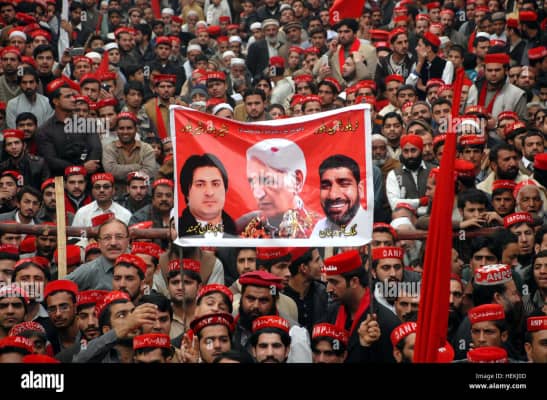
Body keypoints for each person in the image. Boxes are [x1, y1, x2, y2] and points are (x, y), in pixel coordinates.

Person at [239, 138, 319, 238]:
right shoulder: (244, 227)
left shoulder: (321, 229)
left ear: (297, 181)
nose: (258, 194)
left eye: (268, 181)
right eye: (252, 182)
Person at [178, 153, 236, 237]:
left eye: (215, 184)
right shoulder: (176, 230)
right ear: (187, 192)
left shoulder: (242, 231)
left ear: (225, 189)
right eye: (200, 185)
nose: (209, 193)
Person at [311, 155, 368, 238]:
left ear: (360, 189)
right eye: (326, 186)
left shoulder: (371, 227)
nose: (333, 195)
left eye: (344, 184)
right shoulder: (320, 227)